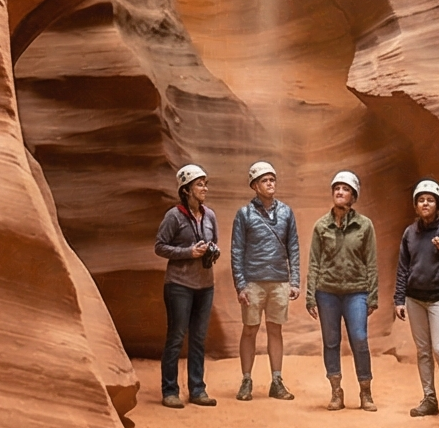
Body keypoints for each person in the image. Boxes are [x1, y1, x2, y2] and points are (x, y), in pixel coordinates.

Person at [307, 170, 379, 411]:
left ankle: (365, 392)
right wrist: (310, 295)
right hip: (326, 291)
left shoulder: (364, 225)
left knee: (359, 339)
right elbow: (314, 261)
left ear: (353, 195)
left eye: (345, 189)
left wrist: (373, 295)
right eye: (336, 188)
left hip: (356, 291)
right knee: (331, 341)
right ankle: (336, 391)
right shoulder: (321, 226)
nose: (339, 192)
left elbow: (371, 262)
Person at [152, 163, 221, 409]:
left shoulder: (210, 215)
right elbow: (160, 246)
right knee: (176, 336)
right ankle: (170, 390)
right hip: (179, 284)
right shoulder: (174, 216)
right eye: (199, 184)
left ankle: (197, 389)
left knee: (199, 339)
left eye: (205, 184)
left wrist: (211, 252)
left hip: (205, 285)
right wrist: (188, 252)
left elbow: (215, 242)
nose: (204, 188)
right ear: (187, 189)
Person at [231, 160, 300, 401]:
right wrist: (240, 284)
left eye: (272, 179)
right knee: (249, 330)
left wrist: (295, 281)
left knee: (275, 330)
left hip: (279, 280)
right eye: (264, 180)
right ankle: (246, 380)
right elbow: (237, 250)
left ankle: (277, 381)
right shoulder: (244, 214)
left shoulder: (286, 212)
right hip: (253, 281)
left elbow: (293, 246)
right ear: (254, 186)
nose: (270, 184)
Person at [394, 178, 439, 419]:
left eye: (430, 200)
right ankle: (429, 398)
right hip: (414, 299)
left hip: (437, 298)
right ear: (416, 205)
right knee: (422, 350)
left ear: (437, 204)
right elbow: (403, 266)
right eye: (421, 200)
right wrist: (399, 299)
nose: (425, 204)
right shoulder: (410, 233)